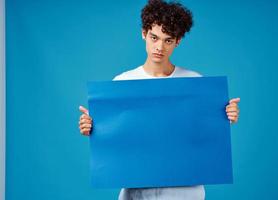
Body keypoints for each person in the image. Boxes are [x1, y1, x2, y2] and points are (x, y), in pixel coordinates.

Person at [78, 0, 240, 199]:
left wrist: (225, 115)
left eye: (168, 40)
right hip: (137, 193)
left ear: (178, 41)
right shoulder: (122, 83)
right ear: (144, 33)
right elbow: (116, 139)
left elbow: (205, 133)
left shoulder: (195, 82)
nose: (159, 47)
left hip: (185, 193)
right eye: (154, 38)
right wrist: (93, 127)